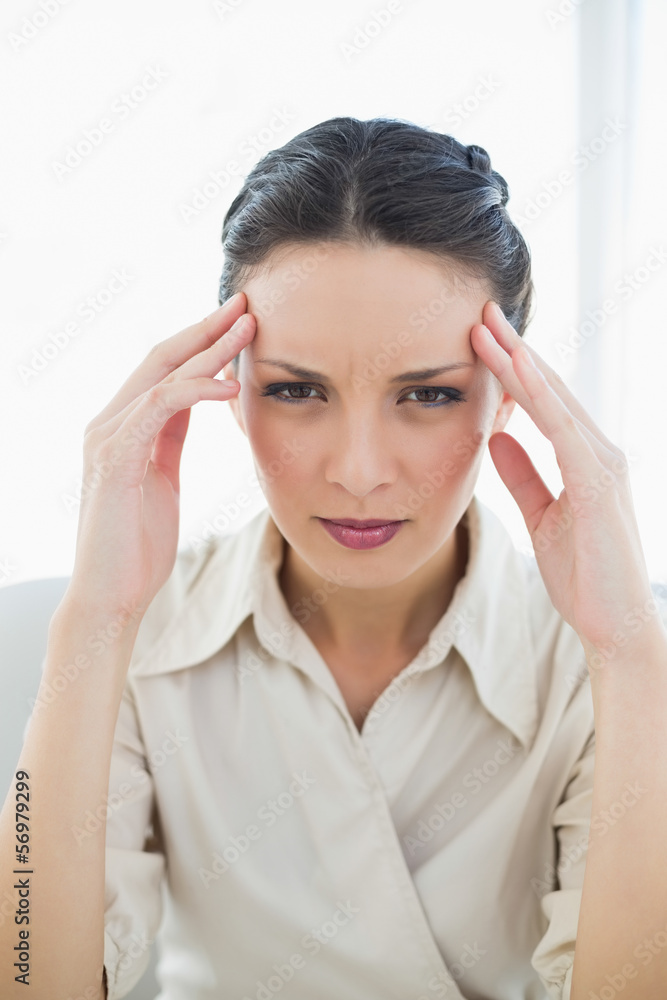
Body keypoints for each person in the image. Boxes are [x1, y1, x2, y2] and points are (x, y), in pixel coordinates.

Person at [1, 116, 665, 1000]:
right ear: (227, 391)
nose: (357, 473)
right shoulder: (144, 631)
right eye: (295, 390)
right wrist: (95, 617)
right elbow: (29, 978)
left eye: (427, 394)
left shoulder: (598, 655)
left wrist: (628, 651)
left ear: (509, 398)